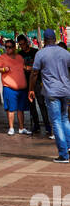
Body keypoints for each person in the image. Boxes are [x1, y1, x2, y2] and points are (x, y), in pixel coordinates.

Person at [30, 30, 70, 163]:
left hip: (51, 92)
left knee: (57, 121)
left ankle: (64, 155)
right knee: (65, 119)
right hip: (65, 91)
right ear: (54, 38)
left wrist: (31, 89)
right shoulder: (65, 52)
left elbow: (34, 73)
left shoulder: (40, 53)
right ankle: (68, 148)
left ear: (45, 40)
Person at [0, 38, 30, 135]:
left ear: (14, 47)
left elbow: (23, 67)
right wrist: (3, 69)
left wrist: (27, 68)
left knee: (20, 109)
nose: (7, 49)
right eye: (6, 47)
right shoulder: (2, 58)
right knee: (11, 109)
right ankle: (11, 128)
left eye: (10, 47)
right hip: (9, 88)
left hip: (21, 88)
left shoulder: (19, 58)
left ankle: (21, 128)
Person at [17, 36, 51, 137]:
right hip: (26, 82)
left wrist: (30, 68)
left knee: (41, 103)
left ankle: (47, 125)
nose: (22, 46)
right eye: (20, 45)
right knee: (31, 105)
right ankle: (36, 125)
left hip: (37, 81)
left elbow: (41, 66)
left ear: (27, 43)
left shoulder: (36, 52)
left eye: (23, 44)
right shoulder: (19, 55)